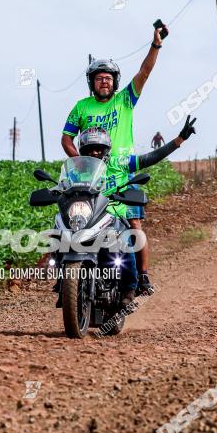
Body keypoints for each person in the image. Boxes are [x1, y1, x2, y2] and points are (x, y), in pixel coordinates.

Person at [61, 22, 168, 294]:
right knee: (75, 221)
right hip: (90, 177)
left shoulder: (125, 101)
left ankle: (141, 277)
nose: (104, 81)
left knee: (133, 225)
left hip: (122, 175)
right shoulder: (80, 107)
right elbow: (66, 139)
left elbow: (145, 72)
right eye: (99, 77)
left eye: (108, 77)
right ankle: (68, 276)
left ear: (115, 82)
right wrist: (80, 164)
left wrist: (155, 45)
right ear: (92, 83)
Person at [75, 118, 197, 302]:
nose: (95, 152)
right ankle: (64, 281)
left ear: (106, 149)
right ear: (83, 152)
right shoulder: (80, 170)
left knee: (126, 242)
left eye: (99, 148)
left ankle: (129, 289)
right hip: (89, 217)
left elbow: (149, 158)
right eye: (90, 149)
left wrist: (179, 140)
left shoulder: (119, 162)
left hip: (115, 215)